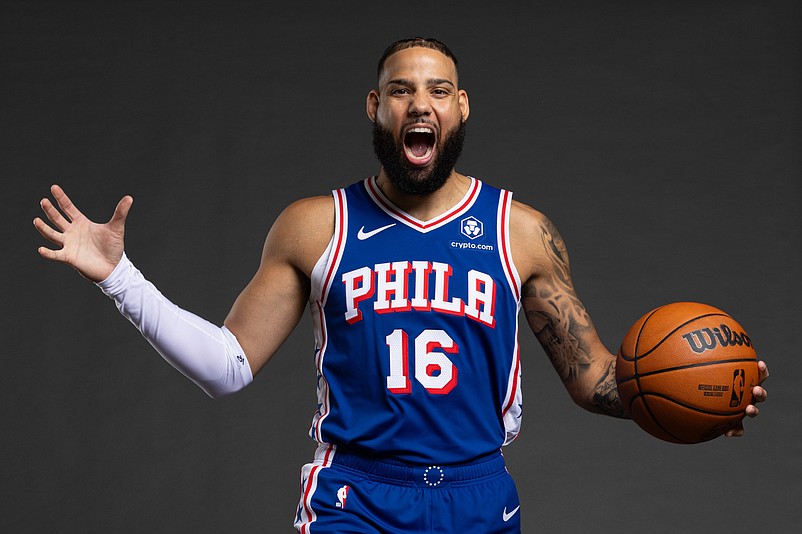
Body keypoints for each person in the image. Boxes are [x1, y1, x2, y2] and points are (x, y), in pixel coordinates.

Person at [34, 38, 769, 533]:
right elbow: (228, 367)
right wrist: (119, 277)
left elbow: (596, 377)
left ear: (462, 107)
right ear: (375, 107)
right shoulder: (317, 225)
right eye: (401, 90)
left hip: (479, 494)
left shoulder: (521, 231)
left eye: (439, 89)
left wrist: (703, 400)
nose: (421, 103)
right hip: (356, 496)